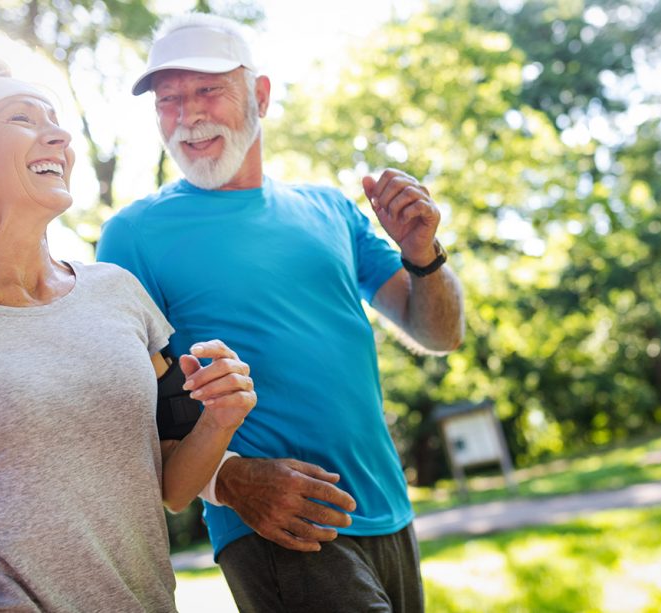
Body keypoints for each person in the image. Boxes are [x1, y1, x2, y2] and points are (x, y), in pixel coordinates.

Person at [96, 13, 465, 612]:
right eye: (169, 100)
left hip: (389, 510)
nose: (187, 114)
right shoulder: (133, 235)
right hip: (279, 524)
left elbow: (439, 333)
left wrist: (423, 254)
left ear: (260, 96)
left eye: (208, 90)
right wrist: (234, 481)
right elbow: (130, 411)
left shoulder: (328, 209)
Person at [0, 58, 256, 613]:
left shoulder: (118, 292)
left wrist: (220, 419)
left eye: (54, 119)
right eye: (21, 118)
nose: (59, 134)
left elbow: (172, 488)